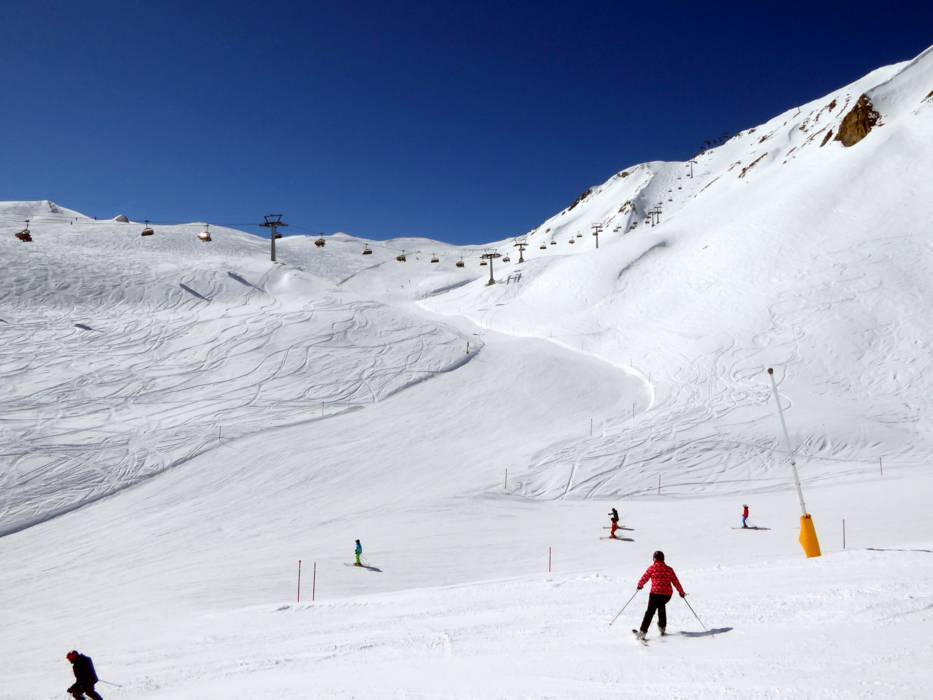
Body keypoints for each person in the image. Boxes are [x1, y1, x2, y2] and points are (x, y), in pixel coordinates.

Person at [635, 551, 685, 640]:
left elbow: (645, 577)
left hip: (655, 594)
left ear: (654, 559)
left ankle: (643, 631)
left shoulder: (652, 568)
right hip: (667, 595)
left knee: (650, 612)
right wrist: (681, 592)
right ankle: (662, 627)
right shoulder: (669, 569)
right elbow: (675, 581)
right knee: (661, 606)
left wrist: (640, 585)